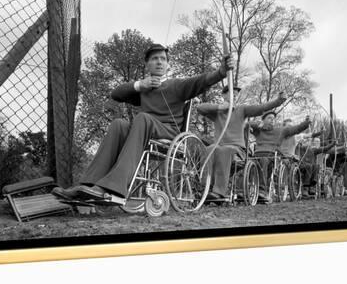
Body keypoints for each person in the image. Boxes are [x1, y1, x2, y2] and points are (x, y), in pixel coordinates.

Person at [52, 43, 233, 203]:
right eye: (154, 59)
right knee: (119, 124)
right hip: (144, 130)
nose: (159, 62)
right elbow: (116, 94)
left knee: (142, 118)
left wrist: (221, 72)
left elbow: (202, 81)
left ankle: (115, 187)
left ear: (168, 64)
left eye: (163, 59)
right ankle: (89, 185)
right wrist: (139, 85)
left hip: (169, 133)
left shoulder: (177, 85)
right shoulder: (144, 87)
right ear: (147, 64)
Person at [196, 86, 287, 202]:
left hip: (237, 149)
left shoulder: (242, 109)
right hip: (219, 145)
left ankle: (219, 191)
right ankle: (205, 188)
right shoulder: (218, 112)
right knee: (210, 148)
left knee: (225, 150)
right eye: (232, 93)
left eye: (236, 94)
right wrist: (221, 107)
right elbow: (200, 108)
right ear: (223, 95)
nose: (235, 96)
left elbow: (261, 108)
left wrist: (278, 101)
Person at [250, 112, 311, 196]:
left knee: (264, 161)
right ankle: (245, 190)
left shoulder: (280, 130)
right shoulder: (259, 130)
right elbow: (247, 124)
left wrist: (306, 123)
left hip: (271, 155)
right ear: (263, 120)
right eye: (269, 118)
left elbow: (296, 129)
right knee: (247, 162)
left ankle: (262, 190)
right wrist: (258, 124)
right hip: (257, 154)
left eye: (273, 118)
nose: (272, 120)